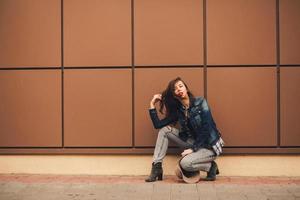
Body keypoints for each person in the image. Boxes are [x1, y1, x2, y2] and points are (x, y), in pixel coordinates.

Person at [145, 77, 224, 183]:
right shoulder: (179, 110)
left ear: (186, 88)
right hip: (192, 142)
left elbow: (207, 128)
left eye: (181, 86)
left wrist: (193, 149)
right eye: (175, 89)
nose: (179, 89)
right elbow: (158, 125)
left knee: (185, 164)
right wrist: (152, 104)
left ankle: (210, 166)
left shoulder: (201, 102)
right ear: (174, 95)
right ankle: (156, 167)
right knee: (164, 130)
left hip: (208, 146)